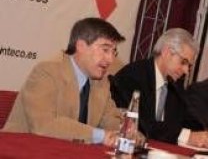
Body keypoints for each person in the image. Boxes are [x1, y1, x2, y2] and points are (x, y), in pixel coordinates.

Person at [3, 17, 129, 147]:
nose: (110, 59)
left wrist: (129, 133)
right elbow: (44, 125)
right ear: (81, 46)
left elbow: (111, 119)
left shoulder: (101, 81)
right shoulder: (46, 72)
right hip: (22, 149)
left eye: (114, 52)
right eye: (105, 49)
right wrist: (100, 136)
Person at [110, 28, 208, 148]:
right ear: (166, 52)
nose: (186, 71)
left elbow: (189, 118)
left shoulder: (174, 85)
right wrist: (186, 136)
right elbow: (142, 126)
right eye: (183, 62)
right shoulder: (132, 77)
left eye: (189, 66)